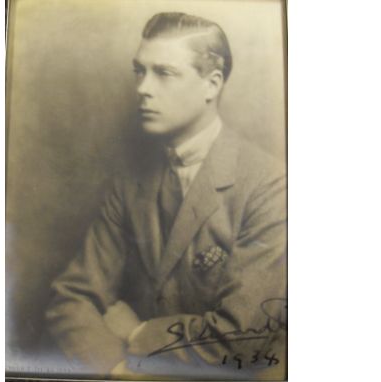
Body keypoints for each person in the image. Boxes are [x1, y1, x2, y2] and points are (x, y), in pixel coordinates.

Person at [45, 12, 287, 380]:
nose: (143, 87)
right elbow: (72, 298)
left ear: (212, 84)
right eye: (139, 71)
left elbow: (242, 339)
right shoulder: (130, 182)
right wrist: (117, 369)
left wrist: (138, 333)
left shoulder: (271, 185)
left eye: (164, 73)